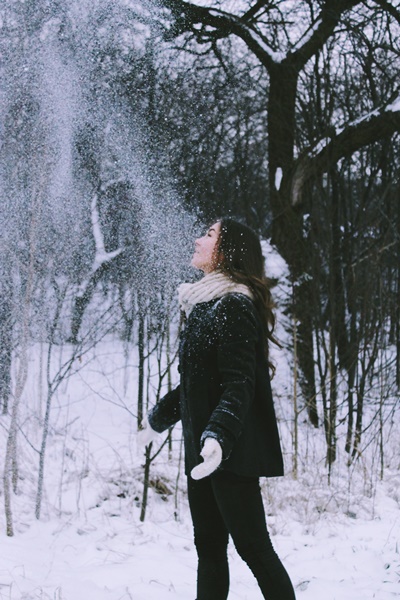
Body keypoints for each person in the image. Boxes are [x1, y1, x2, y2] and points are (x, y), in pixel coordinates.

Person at [139, 218, 296, 600]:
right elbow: (196, 385)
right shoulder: (205, 305)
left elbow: (239, 384)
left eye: (209, 235)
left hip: (229, 453)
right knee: (209, 550)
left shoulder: (234, 304)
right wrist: (156, 421)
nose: (198, 239)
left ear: (227, 251)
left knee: (255, 550)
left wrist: (218, 438)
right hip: (202, 452)